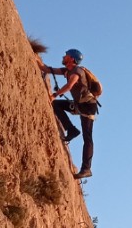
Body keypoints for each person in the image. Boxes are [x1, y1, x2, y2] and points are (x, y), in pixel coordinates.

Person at [37, 48, 97, 179]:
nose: (64, 57)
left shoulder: (77, 71)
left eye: (66, 55)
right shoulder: (67, 70)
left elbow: (70, 85)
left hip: (87, 106)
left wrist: (54, 94)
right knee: (56, 105)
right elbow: (47, 69)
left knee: (87, 137)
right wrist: (35, 58)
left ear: (72, 59)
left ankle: (86, 169)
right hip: (79, 105)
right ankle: (71, 130)